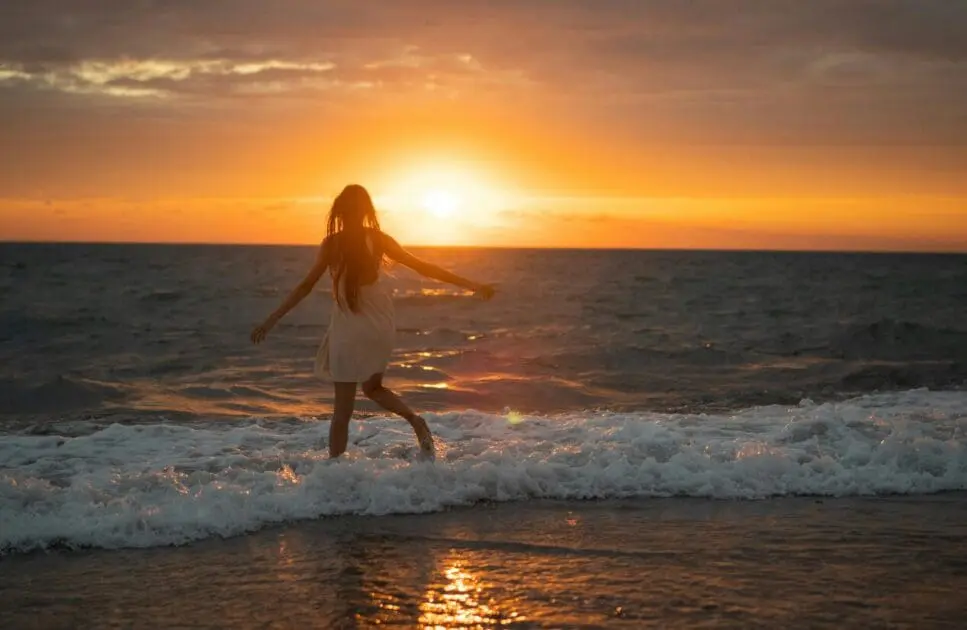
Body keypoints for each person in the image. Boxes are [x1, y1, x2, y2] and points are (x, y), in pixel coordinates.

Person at [250, 184, 494, 459]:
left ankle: (335, 473)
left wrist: (271, 320)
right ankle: (415, 421)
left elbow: (305, 286)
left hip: (349, 328)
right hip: (379, 324)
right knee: (373, 387)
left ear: (339, 212)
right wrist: (472, 284)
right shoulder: (378, 240)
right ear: (367, 211)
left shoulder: (332, 244)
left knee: (342, 412)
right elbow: (424, 267)